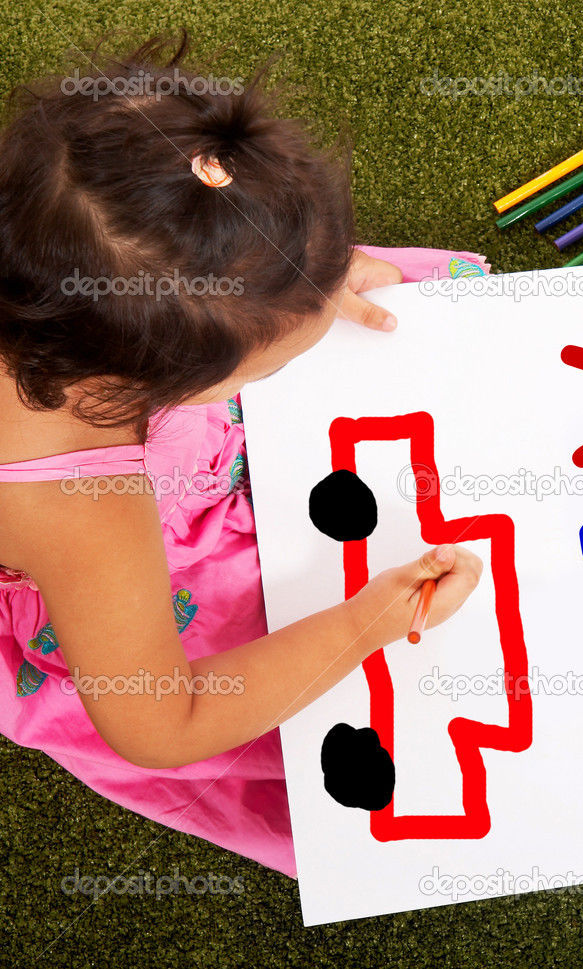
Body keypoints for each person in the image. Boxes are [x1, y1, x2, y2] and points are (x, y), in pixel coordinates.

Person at [0, 32, 489, 879]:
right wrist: (365, 623)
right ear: (151, 387)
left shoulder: (69, 277)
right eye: (275, 365)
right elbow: (163, 724)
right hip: (110, 585)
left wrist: (290, 281)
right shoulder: (84, 512)